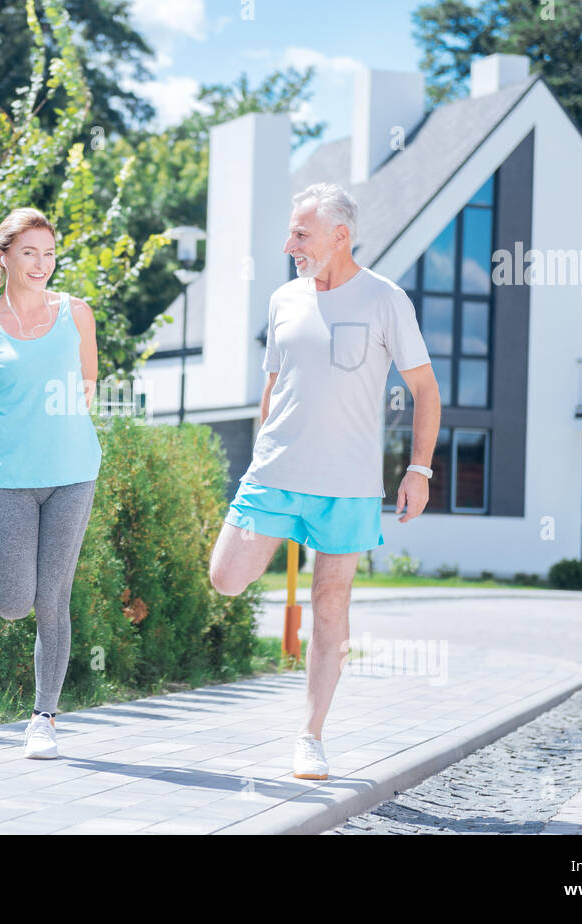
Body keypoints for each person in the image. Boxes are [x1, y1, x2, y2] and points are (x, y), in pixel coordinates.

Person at [207, 182, 442, 781]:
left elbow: (425, 390)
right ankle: (281, 532)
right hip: (276, 473)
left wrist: (419, 469)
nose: (290, 245)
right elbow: (273, 383)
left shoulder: (387, 300)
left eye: (301, 234)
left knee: (331, 604)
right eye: (290, 233)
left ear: (340, 235)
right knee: (227, 578)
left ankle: (310, 736)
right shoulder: (284, 299)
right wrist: (263, 446)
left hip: (349, 484)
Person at [0, 207, 102, 760]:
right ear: (4, 255)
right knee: (13, 601)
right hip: (9, 479)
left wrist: (59, 427)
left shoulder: (76, 313)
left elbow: (88, 381)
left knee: (53, 597)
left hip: (72, 474)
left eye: (50, 253)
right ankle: (16, 597)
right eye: (30, 252)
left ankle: (44, 717)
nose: (42, 264)